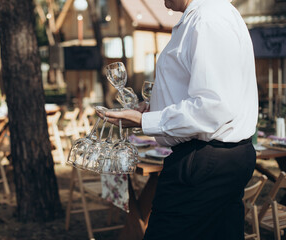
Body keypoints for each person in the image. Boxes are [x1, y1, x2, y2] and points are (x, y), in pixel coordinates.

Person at [98, 0, 258, 239]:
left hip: (203, 162)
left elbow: (213, 107)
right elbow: (207, 93)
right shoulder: (209, 15)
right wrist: (155, 107)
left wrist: (146, 122)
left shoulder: (207, 19)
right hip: (215, 159)